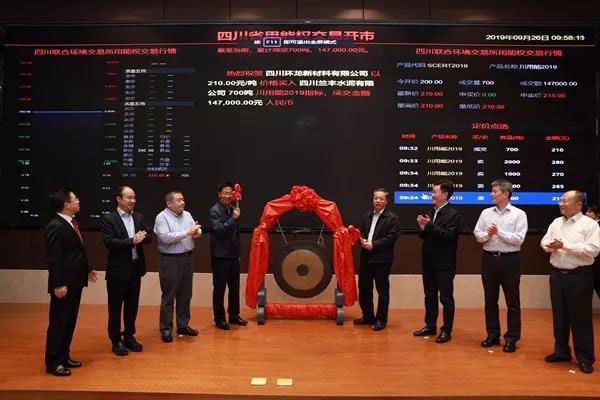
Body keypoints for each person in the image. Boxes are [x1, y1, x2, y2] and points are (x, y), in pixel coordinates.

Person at [541, 190, 599, 374]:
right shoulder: (556, 222)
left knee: (580, 318)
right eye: (561, 200)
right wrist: (549, 246)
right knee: (559, 316)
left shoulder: (589, 224)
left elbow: (593, 249)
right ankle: (561, 352)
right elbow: (544, 241)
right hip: (557, 276)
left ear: (579, 204)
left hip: (579, 276)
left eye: (565, 201)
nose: (561, 204)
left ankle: (585, 358)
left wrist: (563, 246)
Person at [44, 189, 97, 376]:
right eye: (75, 199)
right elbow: (54, 258)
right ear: (66, 204)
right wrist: (58, 284)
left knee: (69, 321)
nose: (79, 201)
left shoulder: (72, 222)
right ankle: (53, 362)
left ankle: (64, 356)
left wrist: (87, 268)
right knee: (59, 323)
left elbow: (76, 252)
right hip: (64, 284)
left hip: (75, 281)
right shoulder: (55, 226)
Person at [473, 179, 527, 353]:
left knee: (512, 302)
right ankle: (492, 335)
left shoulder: (519, 214)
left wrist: (499, 233)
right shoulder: (486, 213)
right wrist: (488, 235)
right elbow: (477, 234)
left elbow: (519, 239)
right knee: (490, 300)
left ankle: (511, 338)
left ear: (506, 194)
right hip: (489, 259)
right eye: (492, 191)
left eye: (495, 191)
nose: (492, 194)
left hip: (510, 261)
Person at [100, 186, 152, 356]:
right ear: (119, 199)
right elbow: (109, 242)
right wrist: (132, 241)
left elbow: (149, 236)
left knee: (132, 305)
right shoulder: (109, 218)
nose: (132, 201)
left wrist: (143, 237)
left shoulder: (138, 217)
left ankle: (129, 336)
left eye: (134, 197)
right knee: (115, 307)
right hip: (117, 270)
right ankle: (116, 340)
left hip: (135, 268)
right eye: (129, 197)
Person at [414, 180, 461, 343]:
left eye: (435, 192)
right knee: (429, 296)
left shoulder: (453, 214)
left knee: (446, 298)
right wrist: (422, 228)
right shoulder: (430, 211)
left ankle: (446, 330)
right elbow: (426, 235)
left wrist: (429, 225)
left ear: (445, 194)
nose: (432, 195)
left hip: (444, 263)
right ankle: (430, 325)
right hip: (428, 261)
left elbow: (448, 235)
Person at [154, 190, 201, 343]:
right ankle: (166, 329)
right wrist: (187, 232)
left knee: (186, 294)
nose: (182, 202)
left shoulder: (187, 214)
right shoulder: (162, 217)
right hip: (170, 260)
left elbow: (196, 231)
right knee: (169, 295)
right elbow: (165, 238)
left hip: (188, 258)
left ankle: (183, 325)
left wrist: (196, 232)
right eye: (178, 200)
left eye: (183, 199)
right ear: (169, 203)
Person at [353, 188, 400, 331]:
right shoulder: (366, 216)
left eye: (381, 198)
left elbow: (392, 237)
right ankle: (368, 316)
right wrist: (361, 239)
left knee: (382, 292)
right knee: (364, 289)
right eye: (375, 198)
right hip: (366, 258)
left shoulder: (392, 218)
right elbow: (362, 232)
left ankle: (381, 320)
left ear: (386, 201)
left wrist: (374, 245)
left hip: (382, 260)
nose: (378, 201)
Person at [209, 182, 247, 330]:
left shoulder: (233, 208)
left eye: (230, 193)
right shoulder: (214, 210)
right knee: (219, 289)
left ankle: (234, 315)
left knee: (234, 287)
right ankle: (219, 319)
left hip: (233, 255)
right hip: (220, 256)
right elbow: (219, 230)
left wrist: (238, 254)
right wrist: (233, 219)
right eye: (225, 193)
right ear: (219, 194)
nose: (227, 196)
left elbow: (235, 234)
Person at [584, 204, 600, 300]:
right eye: (586, 211)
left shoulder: (597, 226)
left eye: (590, 212)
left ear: (598, 214)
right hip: (590, 263)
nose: (586, 214)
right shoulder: (587, 225)